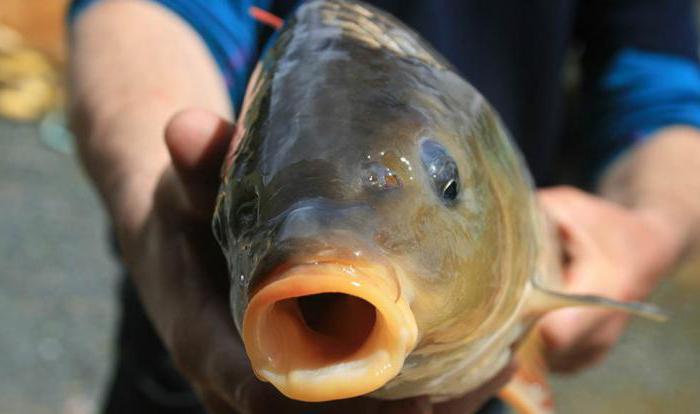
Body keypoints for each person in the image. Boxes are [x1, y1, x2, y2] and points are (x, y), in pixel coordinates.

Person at [67, 0, 700, 413]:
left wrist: (650, 226)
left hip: (480, 337)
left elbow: (663, 92)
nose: (336, 252)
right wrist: (150, 216)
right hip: (205, 332)